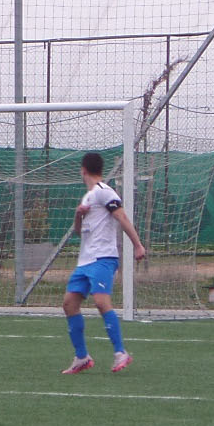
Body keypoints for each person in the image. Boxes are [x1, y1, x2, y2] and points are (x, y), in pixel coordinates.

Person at [60, 151, 146, 375]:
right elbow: (78, 231)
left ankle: (120, 352)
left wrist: (137, 245)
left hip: (103, 258)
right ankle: (81, 357)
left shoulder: (104, 191)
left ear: (83, 170)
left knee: (100, 301)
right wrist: (78, 214)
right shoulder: (87, 197)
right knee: (69, 304)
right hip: (85, 261)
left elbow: (121, 217)